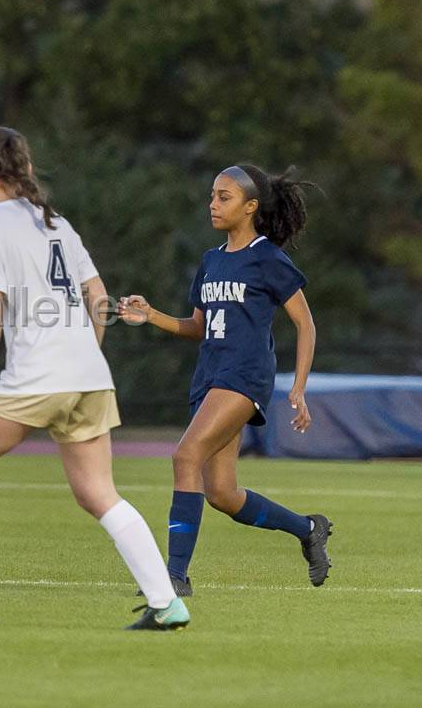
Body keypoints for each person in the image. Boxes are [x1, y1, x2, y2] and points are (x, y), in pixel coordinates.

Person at [0, 127, 189, 631]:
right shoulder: (57, 223)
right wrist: (85, 354)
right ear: (26, 169)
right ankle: (167, 603)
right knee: (98, 492)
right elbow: (99, 299)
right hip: (89, 376)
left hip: (38, 376)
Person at [118, 164, 330, 596]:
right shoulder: (211, 261)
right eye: (213, 195)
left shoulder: (268, 257)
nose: (213, 204)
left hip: (245, 376)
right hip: (210, 376)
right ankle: (309, 529)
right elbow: (198, 326)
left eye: (224, 197)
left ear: (251, 207)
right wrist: (152, 315)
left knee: (185, 457)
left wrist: (299, 387)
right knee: (222, 493)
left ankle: (174, 576)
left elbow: (305, 324)